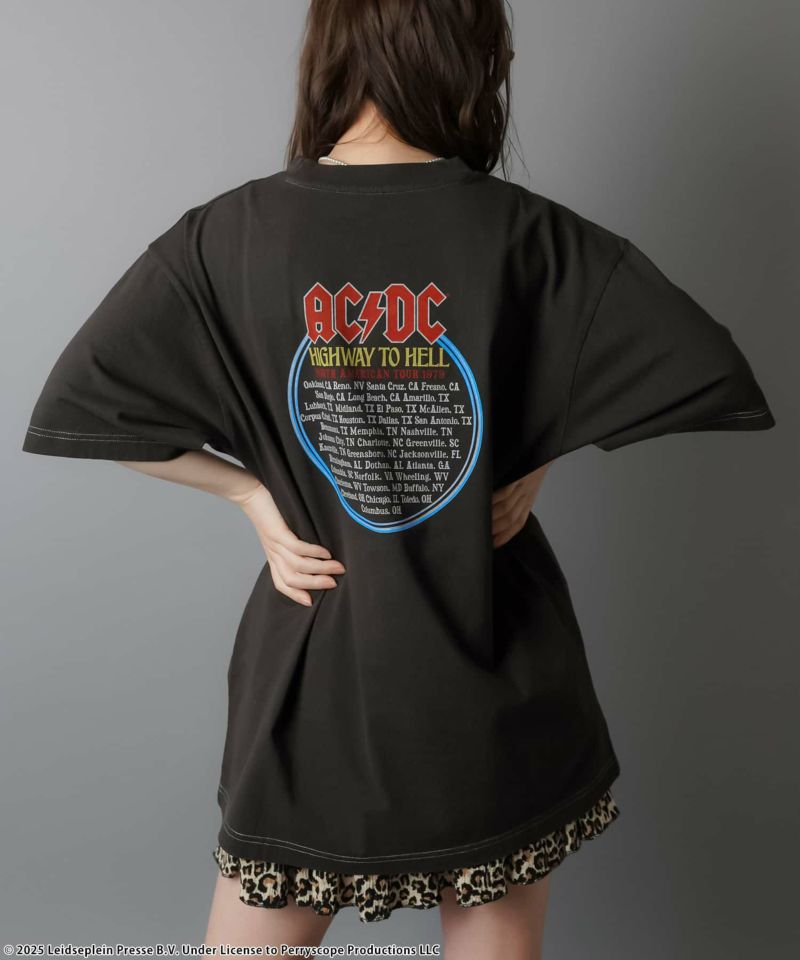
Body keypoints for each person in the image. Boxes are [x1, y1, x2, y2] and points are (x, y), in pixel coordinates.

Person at [21, 0, 776, 956]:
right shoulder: (527, 236)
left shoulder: (231, 233)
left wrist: (254, 495)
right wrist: (535, 447)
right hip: (490, 654)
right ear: (468, 55)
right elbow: (699, 364)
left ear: (332, 49)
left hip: (318, 663)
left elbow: (81, 403)